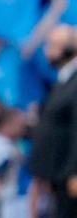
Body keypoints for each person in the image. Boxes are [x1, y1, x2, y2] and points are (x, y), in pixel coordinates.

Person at [30, 25, 77, 218]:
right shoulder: (63, 80)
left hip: (69, 177)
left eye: (53, 45)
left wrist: (74, 172)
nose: (47, 51)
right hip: (55, 176)